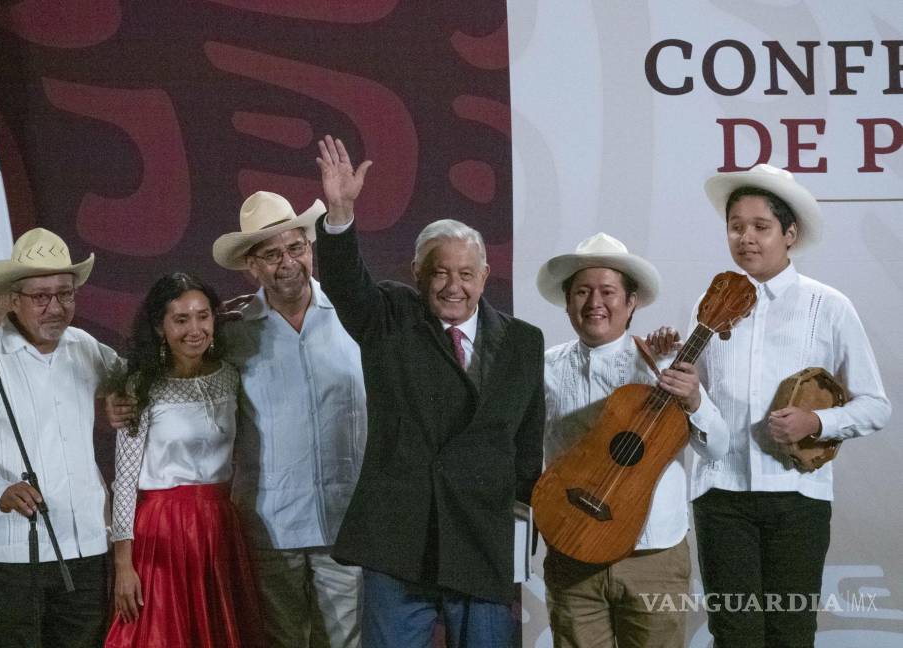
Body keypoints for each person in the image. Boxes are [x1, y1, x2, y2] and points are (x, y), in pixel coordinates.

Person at [313, 134, 545, 647]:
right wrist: (340, 212)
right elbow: (347, 284)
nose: (453, 286)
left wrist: (522, 519)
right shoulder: (391, 316)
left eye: (466, 273)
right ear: (418, 273)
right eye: (439, 272)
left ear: (485, 276)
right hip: (400, 539)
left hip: (480, 539)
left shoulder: (523, 343)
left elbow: (527, 448)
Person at [649, 164, 891, 648]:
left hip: (798, 498)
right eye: (736, 226)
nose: (746, 238)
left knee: (791, 632)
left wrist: (817, 421)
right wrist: (669, 366)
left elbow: (876, 406)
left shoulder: (828, 306)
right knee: (734, 633)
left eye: (761, 227)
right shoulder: (710, 302)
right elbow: (702, 405)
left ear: (790, 234)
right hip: (721, 496)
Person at [536, 232, 728, 648]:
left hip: (653, 556)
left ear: (631, 301)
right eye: (582, 292)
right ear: (567, 301)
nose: (594, 303)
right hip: (573, 549)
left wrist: (694, 398)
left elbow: (716, 448)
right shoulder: (544, 367)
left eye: (608, 291)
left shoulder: (664, 364)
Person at [0, 227, 118, 648]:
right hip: (13, 554)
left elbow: (134, 382)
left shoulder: (86, 347)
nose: (55, 307)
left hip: (87, 547)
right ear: (14, 299)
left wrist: (122, 398)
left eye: (65, 294)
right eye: (41, 296)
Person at [213, 191, 367, 647]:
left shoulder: (356, 314)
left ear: (311, 248)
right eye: (271, 254)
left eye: (295, 248)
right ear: (251, 266)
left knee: (348, 643)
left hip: (347, 523)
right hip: (270, 527)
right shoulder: (231, 333)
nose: (287, 262)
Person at [103, 272, 265, 648]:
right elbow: (124, 482)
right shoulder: (139, 387)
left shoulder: (230, 376)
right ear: (160, 328)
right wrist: (123, 564)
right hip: (161, 534)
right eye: (181, 319)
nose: (195, 329)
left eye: (203, 316)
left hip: (219, 527)